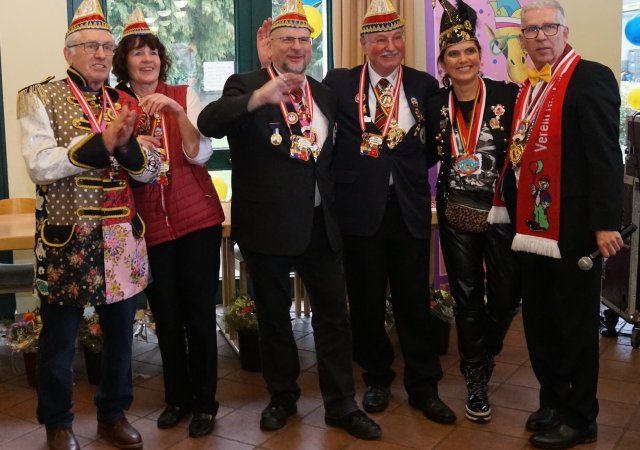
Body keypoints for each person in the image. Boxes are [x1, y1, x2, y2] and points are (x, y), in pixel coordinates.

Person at [197, 0, 381, 440]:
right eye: (288, 40)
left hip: (320, 224)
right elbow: (208, 122)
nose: (297, 47)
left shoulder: (325, 94)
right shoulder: (245, 84)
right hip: (268, 227)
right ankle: (282, 396)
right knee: (274, 319)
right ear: (271, 44)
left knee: (334, 318)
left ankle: (341, 404)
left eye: (304, 40)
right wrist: (259, 98)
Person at [17, 1, 161, 449]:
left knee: (120, 337)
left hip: (121, 237)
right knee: (59, 340)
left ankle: (113, 415)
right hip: (66, 237)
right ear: (69, 53)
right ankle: (57, 424)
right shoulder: (38, 96)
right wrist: (103, 142)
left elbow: (152, 170)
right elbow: (40, 165)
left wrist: (130, 149)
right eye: (90, 46)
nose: (101, 54)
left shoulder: (125, 102)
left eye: (106, 46)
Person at [494, 1, 624, 447]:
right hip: (530, 226)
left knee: (575, 325)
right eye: (531, 30)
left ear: (565, 31)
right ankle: (551, 400)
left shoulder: (590, 77)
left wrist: (605, 223)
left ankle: (581, 415)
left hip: (573, 229)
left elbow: (606, 155)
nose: (540, 36)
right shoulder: (527, 87)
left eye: (549, 27)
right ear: (522, 39)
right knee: (539, 320)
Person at [322, 0, 455, 424]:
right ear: (363, 44)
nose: (391, 46)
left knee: (414, 300)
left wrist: (405, 173)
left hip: (408, 207)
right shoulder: (340, 83)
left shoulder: (424, 84)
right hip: (359, 208)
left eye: (397, 37)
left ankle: (424, 387)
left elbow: (434, 145)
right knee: (365, 301)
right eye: (380, 39)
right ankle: (376, 377)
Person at [112, 7, 225, 439]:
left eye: (153, 52)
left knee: (199, 313)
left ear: (162, 59)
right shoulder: (116, 104)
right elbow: (113, 165)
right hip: (148, 226)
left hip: (196, 221)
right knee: (166, 313)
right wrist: (130, 146)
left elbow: (201, 154)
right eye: (137, 53)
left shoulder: (182, 94)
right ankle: (177, 398)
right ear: (125, 62)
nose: (147, 60)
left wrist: (178, 114)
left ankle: (206, 403)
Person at [425, 0, 520, 423]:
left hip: (502, 213)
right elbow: (423, 156)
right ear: (443, 63)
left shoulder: (509, 96)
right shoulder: (434, 105)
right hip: (456, 212)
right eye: (453, 53)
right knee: (466, 297)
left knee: (507, 294)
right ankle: (475, 376)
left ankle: (488, 350)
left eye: (469, 51)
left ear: (480, 55)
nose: (462, 59)